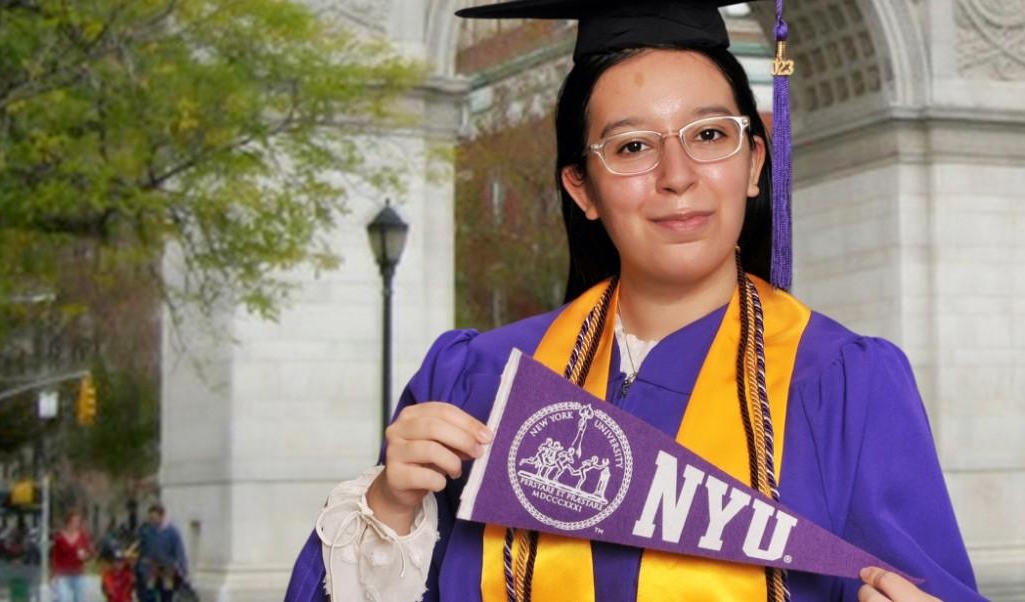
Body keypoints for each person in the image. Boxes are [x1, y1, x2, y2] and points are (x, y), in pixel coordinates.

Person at [287, 0, 983, 600]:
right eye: (630, 147)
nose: (676, 176)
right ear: (583, 189)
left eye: (710, 135)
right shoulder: (478, 381)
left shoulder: (843, 387)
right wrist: (391, 507)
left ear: (755, 165)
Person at [136, 504, 187, 602]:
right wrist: (141, 567)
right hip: (152, 570)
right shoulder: (148, 532)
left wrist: (183, 570)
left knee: (166, 595)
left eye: (154, 518)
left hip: (167, 570)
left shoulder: (172, 532)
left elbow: (179, 552)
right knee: (148, 596)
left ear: (161, 516)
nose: (152, 520)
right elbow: (143, 550)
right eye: (150, 518)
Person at [50, 509, 92, 602]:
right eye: (74, 521)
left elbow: (90, 553)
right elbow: (55, 557)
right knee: (63, 598)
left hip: (78, 574)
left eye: (78, 521)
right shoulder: (60, 538)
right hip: (63, 575)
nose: (77, 523)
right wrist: (54, 574)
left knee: (79, 599)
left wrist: (85, 556)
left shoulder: (83, 537)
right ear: (68, 522)